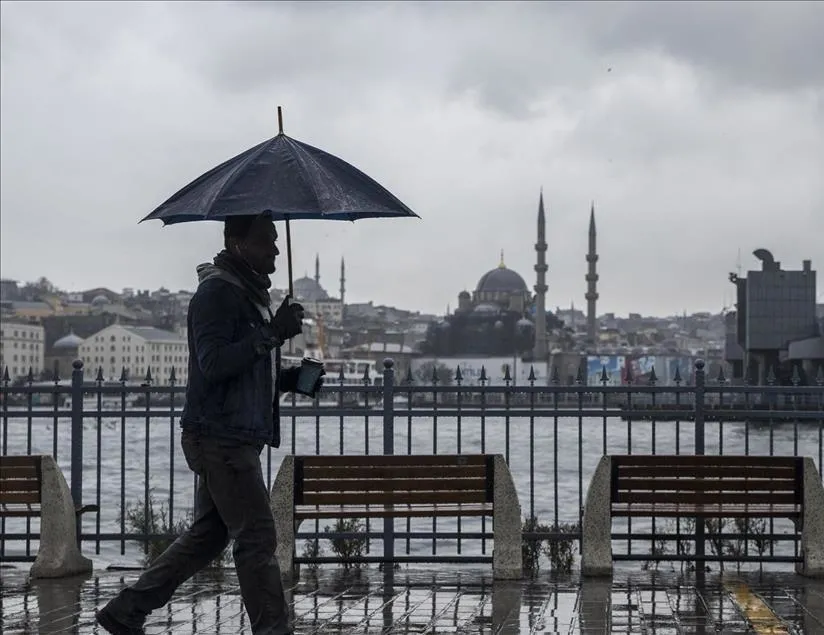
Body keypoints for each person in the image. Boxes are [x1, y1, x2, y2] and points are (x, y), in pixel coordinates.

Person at [96, 214, 323, 635]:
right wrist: (273, 333)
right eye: (266, 241)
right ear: (238, 244)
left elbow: (247, 368)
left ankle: (125, 610)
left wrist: (292, 378)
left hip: (233, 435)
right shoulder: (216, 293)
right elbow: (214, 364)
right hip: (221, 437)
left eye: (276, 241)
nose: (275, 249)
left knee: (208, 537)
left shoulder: (249, 294)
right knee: (255, 538)